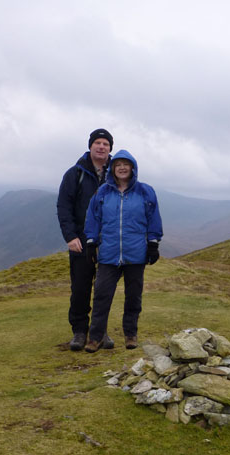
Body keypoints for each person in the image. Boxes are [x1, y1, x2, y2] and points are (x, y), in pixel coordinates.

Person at [83, 149, 163, 352]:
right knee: (101, 295)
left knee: (133, 296)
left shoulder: (145, 192)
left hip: (136, 253)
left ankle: (130, 334)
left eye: (126, 164)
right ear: (112, 168)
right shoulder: (102, 193)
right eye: (118, 165)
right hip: (109, 254)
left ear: (133, 168)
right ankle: (96, 337)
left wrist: (153, 243)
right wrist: (91, 242)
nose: (122, 168)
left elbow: (153, 217)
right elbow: (93, 217)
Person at [56, 128, 116, 351]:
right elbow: (64, 207)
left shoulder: (117, 174)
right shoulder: (75, 174)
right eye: (98, 143)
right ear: (90, 146)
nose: (101, 147)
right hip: (81, 241)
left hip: (108, 242)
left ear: (110, 148)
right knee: (80, 288)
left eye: (106, 144)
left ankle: (100, 331)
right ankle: (79, 332)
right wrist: (70, 237)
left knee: (104, 289)